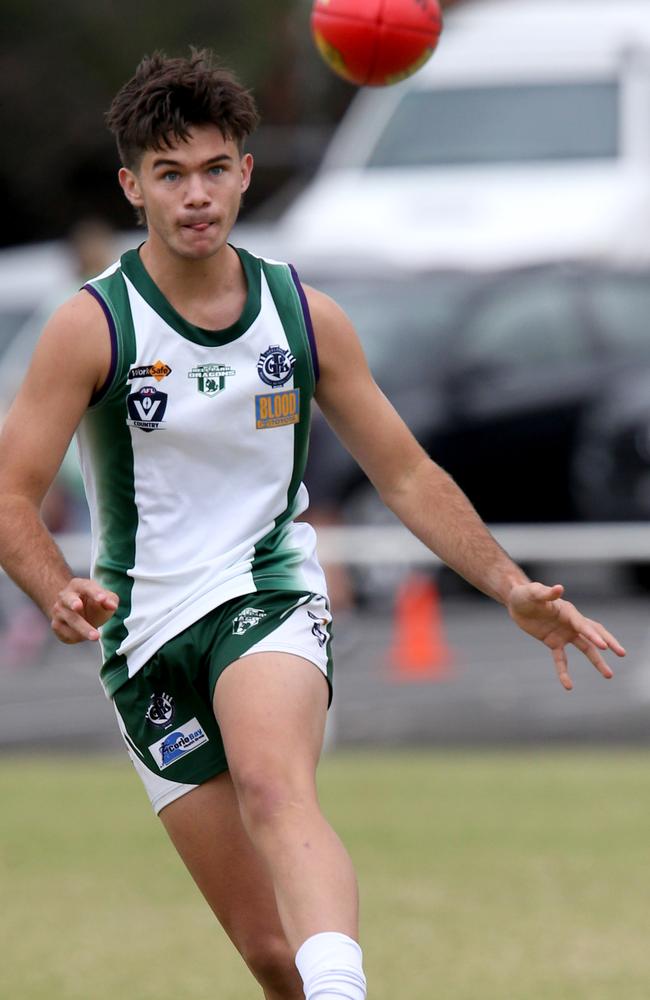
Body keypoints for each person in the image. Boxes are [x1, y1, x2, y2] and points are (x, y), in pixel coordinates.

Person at [0, 49, 625, 1000]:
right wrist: (55, 585)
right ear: (134, 187)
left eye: (215, 169)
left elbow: (406, 472)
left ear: (247, 171)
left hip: (271, 595)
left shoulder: (303, 316)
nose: (197, 195)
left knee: (273, 782)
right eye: (170, 174)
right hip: (145, 637)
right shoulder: (93, 327)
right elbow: (11, 493)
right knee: (266, 954)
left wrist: (509, 586)